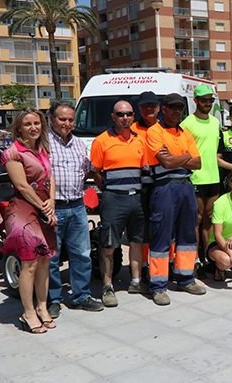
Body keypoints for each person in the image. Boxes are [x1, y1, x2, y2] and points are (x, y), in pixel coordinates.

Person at [0, 108, 58, 334]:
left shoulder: (42, 149)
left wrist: (51, 201)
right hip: (25, 210)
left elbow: (50, 177)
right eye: (27, 124)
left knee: (44, 261)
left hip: (44, 207)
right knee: (30, 263)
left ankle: (42, 308)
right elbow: (23, 186)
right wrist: (44, 206)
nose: (33, 128)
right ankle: (28, 313)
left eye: (37, 123)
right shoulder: (13, 152)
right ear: (19, 128)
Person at [146, 93, 206, 304]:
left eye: (180, 108)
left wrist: (175, 157)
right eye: (172, 107)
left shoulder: (185, 132)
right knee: (161, 236)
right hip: (164, 187)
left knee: (188, 235)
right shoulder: (155, 131)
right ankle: (158, 286)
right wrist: (186, 156)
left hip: (186, 186)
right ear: (163, 109)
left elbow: (198, 163)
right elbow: (166, 163)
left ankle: (185, 278)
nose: (177, 111)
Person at [47, 101, 104, 319]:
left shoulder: (79, 144)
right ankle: (53, 300)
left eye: (71, 119)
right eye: (62, 119)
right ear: (51, 119)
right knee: (51, 258)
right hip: (54, 208)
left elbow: (88, 169)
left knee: (82, 255)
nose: (67, 123)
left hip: (77, 206)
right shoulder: (43, 144)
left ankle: (81, 296)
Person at [91, 101, 148, 308]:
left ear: (133, 116)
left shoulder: (140, 139)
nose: (125, 117)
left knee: (136, 241)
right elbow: (96, 172)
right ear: (113, 116)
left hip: (137, 198)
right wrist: (108, 191)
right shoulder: (101, 141)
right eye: (120, 114)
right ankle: (107, 287)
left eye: (129, 114)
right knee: (108, 244)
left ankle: (136, 282)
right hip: (113, 199)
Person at [181, 85, 221, 275]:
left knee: (210, 220)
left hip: (213, 177)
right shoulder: (187, 123)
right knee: (195, 220)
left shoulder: (215, 122)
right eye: (204, 100)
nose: (208, 103)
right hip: (195, 178)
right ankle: (195, 259)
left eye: (210, 100)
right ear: (195, 101)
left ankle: (208, 258)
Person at [130, 91, 161, 280]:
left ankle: (165, 267)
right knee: (141, 229)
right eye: (144, 106)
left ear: (158, 107)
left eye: (152, 105)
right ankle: (141, 268)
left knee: (163, 227)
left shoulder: (165, 127)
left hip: (162, 185)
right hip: (140, 186)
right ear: (139, 109)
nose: (148, 108)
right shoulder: (131, 129)